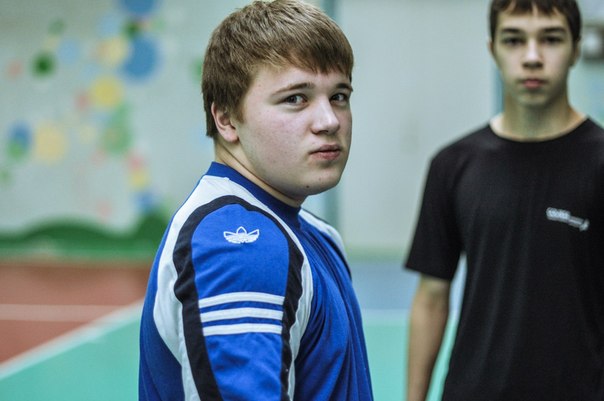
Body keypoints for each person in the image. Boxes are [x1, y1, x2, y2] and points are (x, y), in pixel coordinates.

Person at [138, 1, 373, 400]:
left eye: (339, 96)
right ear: (227, 119)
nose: (330, 120)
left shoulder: (312, 232)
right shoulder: (241, 245)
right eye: (296, 98)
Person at [405, 0, 604, 400]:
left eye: (551, 39)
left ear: (575, 49)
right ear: (492, 49)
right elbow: (431, 299)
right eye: (514, 40)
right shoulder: (452, 165)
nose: (532, 57)